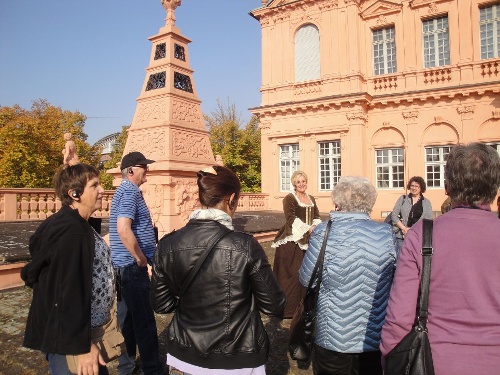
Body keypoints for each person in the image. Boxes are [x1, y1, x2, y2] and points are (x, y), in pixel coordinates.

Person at [151, 165, 286, 375]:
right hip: (238, 358)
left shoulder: (167, 245)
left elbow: (162, 305)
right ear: (231, 198)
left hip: (185, 355)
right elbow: (274, 306)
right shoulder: (245, 246)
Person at [381, 143, 500, 375]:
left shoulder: (422, 235)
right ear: (495, 188)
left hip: (435, 360)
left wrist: (390, 360)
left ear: (447, 187)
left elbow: (399, 318)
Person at [21, 164, 115, 375]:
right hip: (72, 340)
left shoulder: (75, 224)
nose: (102, 190)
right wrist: (82, 347)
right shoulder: (73, 233)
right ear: (74, 194)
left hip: (76, 333)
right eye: (94, 185)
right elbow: (66, 292)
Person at [299, 176, 397, 375]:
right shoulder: (386, 233)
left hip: (332, 336)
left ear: (338, 201)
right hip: (374, 335)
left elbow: (306, 279)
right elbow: (396, 280)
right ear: (369, 202)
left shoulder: (323, 232)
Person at [109, 151, 163, 375]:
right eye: (144, 167)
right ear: (131, 171)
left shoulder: (124, 191)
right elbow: (123, 229)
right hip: (131, 269)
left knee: (128, 322)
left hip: (123, 268)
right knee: (145, 323)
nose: (147, 170)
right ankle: (153, 370)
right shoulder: (130, 192)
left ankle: (127, 366)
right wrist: (141, 259)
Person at [271, 170, 322, 318]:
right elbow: (291, 218)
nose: (301, 184)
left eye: (303, 181)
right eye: (298, 182)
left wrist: (315, 227)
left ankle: (304, 306)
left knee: (307, 271)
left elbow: (317, 216)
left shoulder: (311, 198)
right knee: (291, 273)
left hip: (309, 238)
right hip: (292, 238)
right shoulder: (289, 198)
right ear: (294, 183)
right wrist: (308, 228)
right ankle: (288, 309)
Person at [389, 176, 433, 249]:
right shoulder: (403, 199)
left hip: (417, 237)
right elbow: (394, 215)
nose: (414, 188)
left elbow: (428, 221)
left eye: (417, 186)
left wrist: (414, 230)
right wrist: (404, 228)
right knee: (400, 258)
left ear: (421, 188)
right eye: (412, 186)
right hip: (401, 236)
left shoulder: (426, 202)